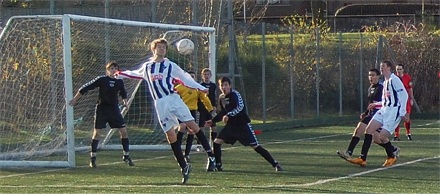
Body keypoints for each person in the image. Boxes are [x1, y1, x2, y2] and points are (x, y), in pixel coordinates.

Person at [116, 38, 216, 184]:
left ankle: (211, 156)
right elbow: (134, 73)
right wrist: (120, 74)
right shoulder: (147, 67)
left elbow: (185, 78)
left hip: (173, 99)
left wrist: (200, 88)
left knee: (192, 126)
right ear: (153, 49)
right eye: (159, 47)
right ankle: (184, 166)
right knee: (170, 135)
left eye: (164, 47)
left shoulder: (170, 65)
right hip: (160, 104)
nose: (162, 49)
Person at [205, 77, 283, 172]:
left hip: (242, 125)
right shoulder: (221, 98)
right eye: (222, 85)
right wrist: (213, 120)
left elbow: (240, 107)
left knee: (256, 146)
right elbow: (222, 112)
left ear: (230, 85)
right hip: (231, 126)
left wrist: (228, 114)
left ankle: (275, 164)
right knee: (216, 142)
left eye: (226, 85)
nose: (224, 87)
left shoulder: (235, 94)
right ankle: (218, 165)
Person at [69, 61, 134, 168]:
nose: (113, 70)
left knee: (123, 131)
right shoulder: (102, 79)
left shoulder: (119, 82)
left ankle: (126, 156)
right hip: (102, 109)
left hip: (114, 109)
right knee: (97, 134)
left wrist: (125, 102)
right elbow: (86, 87)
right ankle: (93, 158)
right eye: (111, 68)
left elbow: (123, 93)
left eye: (115, 68)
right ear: (107, 70)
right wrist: (75, 99)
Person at [348, 61, 409, 167]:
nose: (381, 68)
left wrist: (403, 112)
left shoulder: (394, 80)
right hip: (384, 110)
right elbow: (387, 100)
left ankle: (391, 155)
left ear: (389, 68)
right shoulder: (385, 81)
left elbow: (404, 95)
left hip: (393, 111)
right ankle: (362, 158)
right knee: (369, 130)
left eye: (383, 67)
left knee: (382, 136)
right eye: (381, 67)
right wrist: (377, 104)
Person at [337, 68, 383, 160]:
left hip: (379, 115)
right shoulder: (370, 88)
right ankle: (349, 152)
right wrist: (365, 113)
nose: (371, 77)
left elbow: (385, 102)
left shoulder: (381, 88)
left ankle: (354, 154)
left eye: (373, 75)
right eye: (369, 75)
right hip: (371, 115)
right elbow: (370, 103)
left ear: (378, 76)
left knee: (371, 135)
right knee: (371, 136)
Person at [175, 71, 215, 163]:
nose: (191, 78)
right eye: (189, 76)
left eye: (193, 76)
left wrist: (211, 110)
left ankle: (187, 154)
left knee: (192, 131)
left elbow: (205, 99)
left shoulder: (197, 88)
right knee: (182, 126)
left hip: (192, 111)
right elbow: (173, 95)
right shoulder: (180, 87)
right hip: (182, 111)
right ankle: (177, 151)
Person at [197, 68, 218, 145]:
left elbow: (214, 96)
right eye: (205, 74)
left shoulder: (213, 85)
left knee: (213, 126)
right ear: (202, 76)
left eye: (208, 74)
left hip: (211, 109)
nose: (206, 76)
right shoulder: (200, 85)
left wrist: (215, 106)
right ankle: (200, 145)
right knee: (201, 127)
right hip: (202, 108)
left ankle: (214, 144)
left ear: (210, 75)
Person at [394, 64, 414, 141]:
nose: (398, 71)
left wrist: (411, 99)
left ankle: (408, 133)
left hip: (405, 100)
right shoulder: (393, 78)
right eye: (397, 69)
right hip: (396, 101)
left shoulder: (407, 77)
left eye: (400, 69)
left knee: (406, 117)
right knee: (396, 118)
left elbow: (410, 89)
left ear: (403, 70)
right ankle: (396, 135)